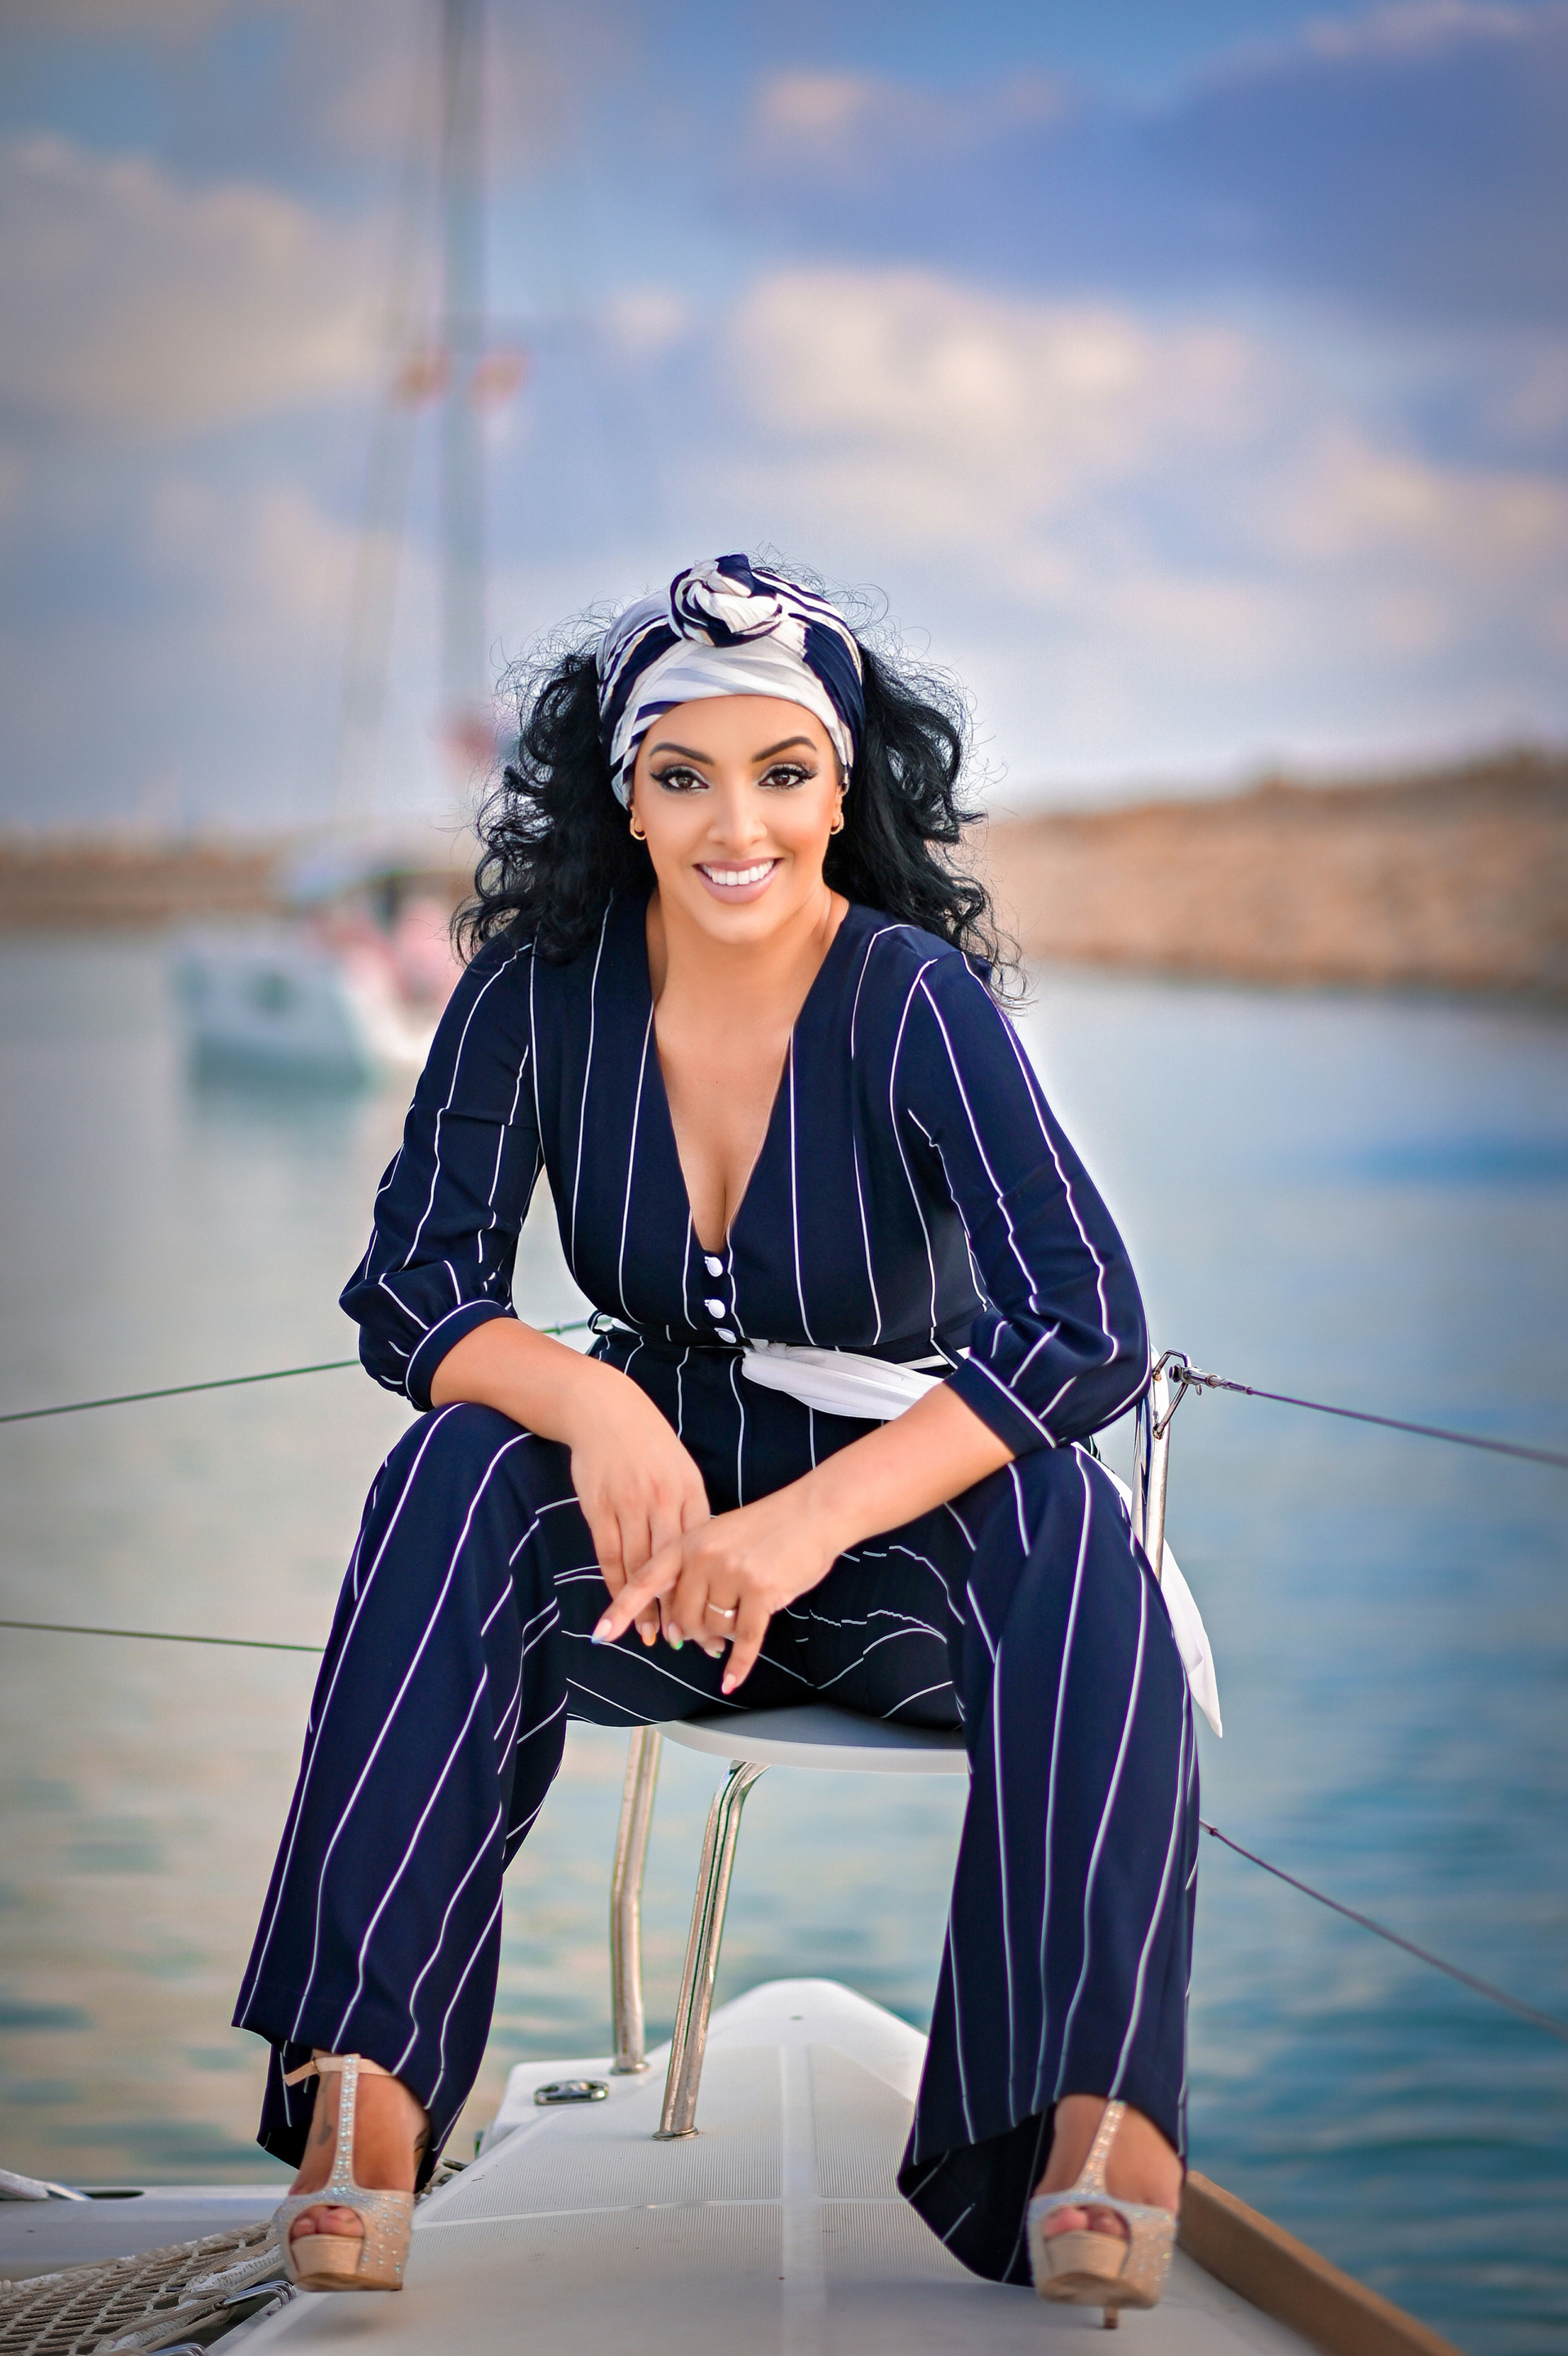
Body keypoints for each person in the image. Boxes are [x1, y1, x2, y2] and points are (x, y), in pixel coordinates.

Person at [235, 555, 1197, 2318]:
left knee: (1068, 1528)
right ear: (625, 796)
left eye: (782, 774)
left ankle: (1091, 2114)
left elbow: (1087, 1325)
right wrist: (595, 1400)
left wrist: (805, 1525)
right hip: (646, 1552)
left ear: (841, 791)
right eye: (684, 775)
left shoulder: (910, 996)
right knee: (451, 1472)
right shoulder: (535, 992)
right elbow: (412, 1292)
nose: (734, 825)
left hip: (890, 1548)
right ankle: (363, 2094)